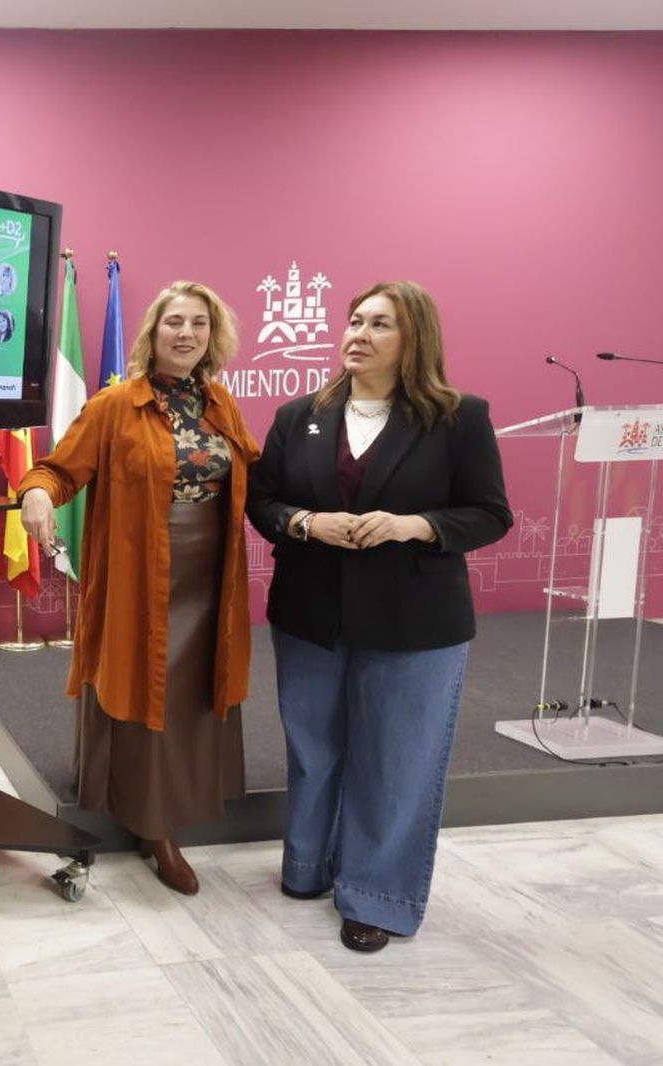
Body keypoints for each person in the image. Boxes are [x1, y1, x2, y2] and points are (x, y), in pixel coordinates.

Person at [246, 281, 511, 953]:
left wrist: (413, 525)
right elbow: (263, 501)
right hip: (310, 616)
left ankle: (377, 897)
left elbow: (489, 513)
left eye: (380, 324)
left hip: (415, 624)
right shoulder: (298, 414)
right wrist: (306, 521)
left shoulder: (459, 418)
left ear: (413, 338)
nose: (358, 333)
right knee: (313, 750)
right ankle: (308, 867)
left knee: (394, 763)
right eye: (355, 320)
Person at [19, 281, 258, 896]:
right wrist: (39, 494)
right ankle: (156, 828)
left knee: (195, 687)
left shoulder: (221, 404)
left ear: (213, 336)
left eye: (200, 324)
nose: (186, 334)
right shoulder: (114, 405)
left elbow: (255, 471)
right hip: (140, 572)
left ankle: (188, 792)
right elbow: (56, 468)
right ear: (152, 332)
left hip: (213, 574)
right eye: (174, 322)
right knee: (148, 683)